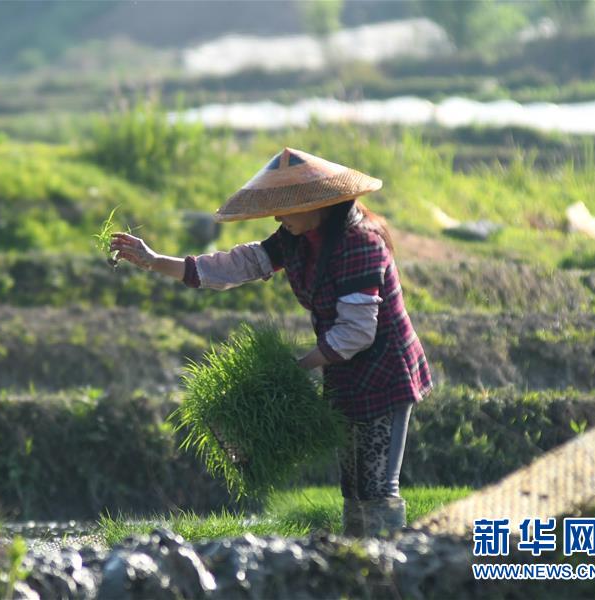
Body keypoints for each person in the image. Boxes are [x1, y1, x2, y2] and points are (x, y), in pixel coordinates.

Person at [110, 147, 432, 537]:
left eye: (285, 208)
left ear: (318, 204)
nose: (278, 217)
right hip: (342, 367)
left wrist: (291, 371)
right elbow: (240, 265)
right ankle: (359, 561)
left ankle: (391, 563)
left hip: (385, 370)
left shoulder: (360, 244)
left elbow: (358, 332)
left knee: (378, 484)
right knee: (353, 484)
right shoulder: (297, 238)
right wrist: (156, 260)